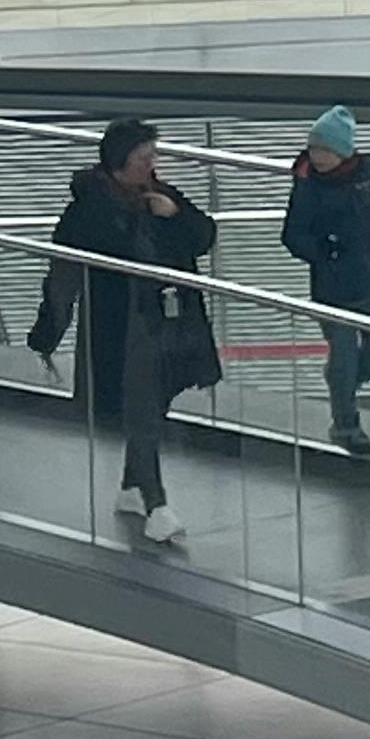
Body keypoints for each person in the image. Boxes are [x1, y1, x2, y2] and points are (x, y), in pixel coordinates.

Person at [24, 122, 220, 546]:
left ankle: (133, 485)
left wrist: (174, 215)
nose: (152, 164)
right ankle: (156, 503)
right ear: (120, 161)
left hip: (169, 320)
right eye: (144, 157)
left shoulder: (161, 196)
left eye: (153, 156)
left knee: (154, 401)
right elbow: (63, 276)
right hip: (124, 327)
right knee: (143, 406)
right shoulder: (89, 211)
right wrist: (46, 333)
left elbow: (204, 235)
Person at [283, 104, 370, 460]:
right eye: (313, 149)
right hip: (331, 288)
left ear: (344, 152)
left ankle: (342, 385)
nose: (316, 157)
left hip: (366, 280)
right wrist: (323, 251)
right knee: (344, 354)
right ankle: (346, 426)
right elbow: (292, 234)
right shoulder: (308, 184)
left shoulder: (366, 173)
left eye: (324, 150)